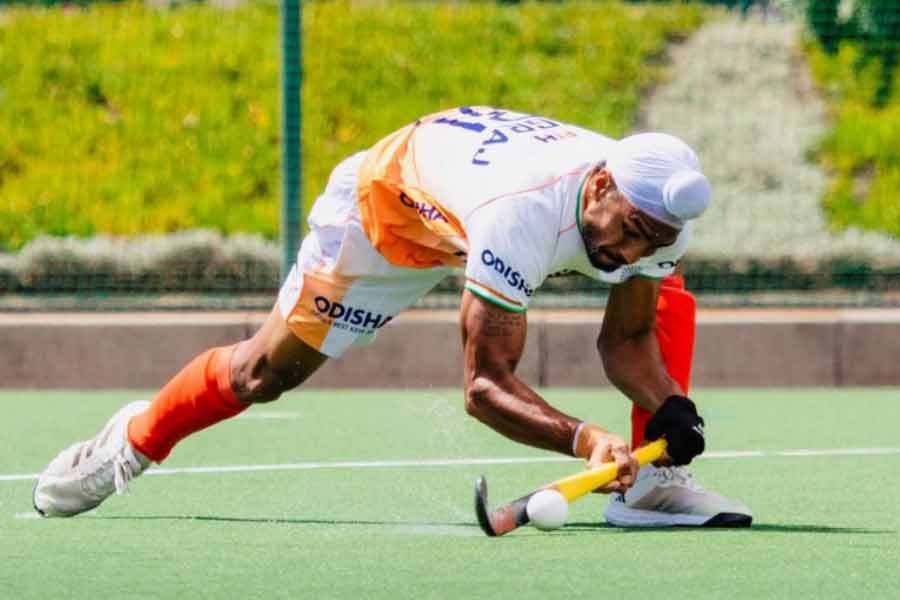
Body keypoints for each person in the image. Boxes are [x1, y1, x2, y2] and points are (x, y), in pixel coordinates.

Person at [34, 106, 751, 527]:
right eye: (626, 229)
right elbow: (483, 387)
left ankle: (652, 489)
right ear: (601, 185)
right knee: (262, 374)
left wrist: (669, 410)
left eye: (649, 242)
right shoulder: (522, 214)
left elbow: (626, 336)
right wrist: (587, 439)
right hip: (385, 217)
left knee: (664, 292)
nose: (627, 252)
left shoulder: (657, 219)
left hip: (465, 200)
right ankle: (134, 438)